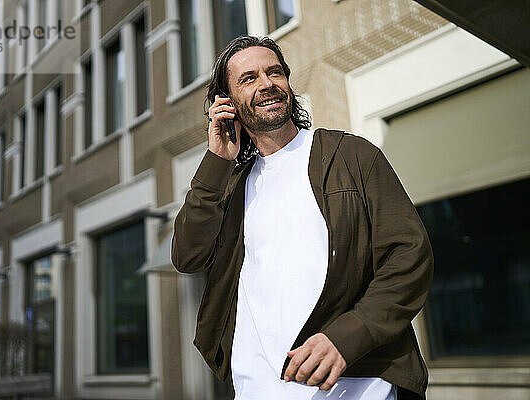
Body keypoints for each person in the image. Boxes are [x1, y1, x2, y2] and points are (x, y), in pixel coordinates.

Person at [171, 35, 434, 400]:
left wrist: (349, 336)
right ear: (226, 103)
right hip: (258, 390)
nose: (267, 84)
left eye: (275, 72)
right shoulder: (229, 187)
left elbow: (409, 256)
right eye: (249, 78)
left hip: (358, 387)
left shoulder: (351, 156)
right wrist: (217, 161)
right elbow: (187, 256)